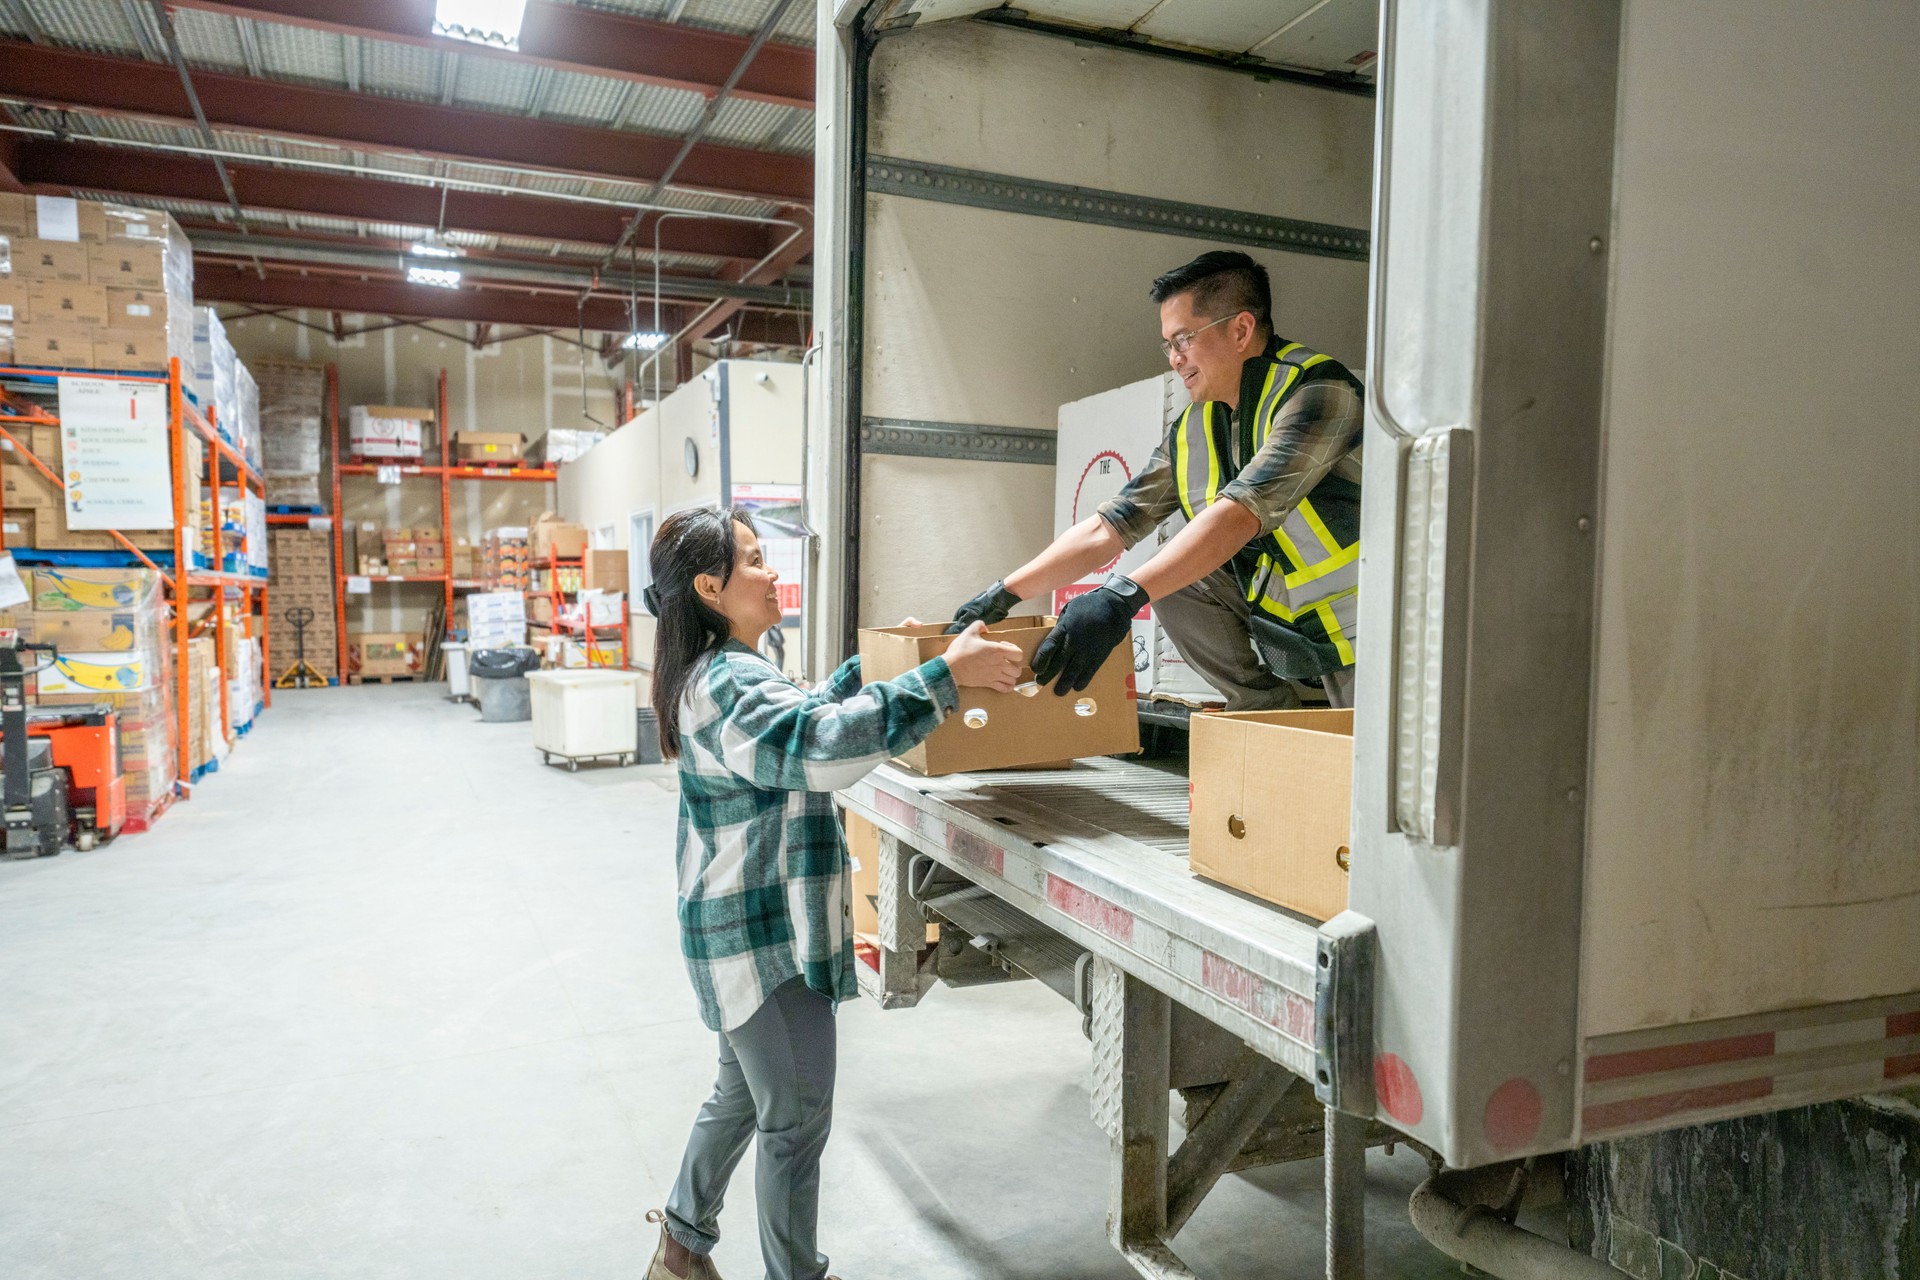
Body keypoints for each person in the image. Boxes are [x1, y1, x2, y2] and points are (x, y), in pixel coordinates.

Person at [641, 506, 1024, 1280]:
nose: (771, 571)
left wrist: (886, 669)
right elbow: (817, 750)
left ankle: (681, 1249)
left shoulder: (727, 670)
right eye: (753, 561)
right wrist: (942, 679)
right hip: (765, 937)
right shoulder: (726, 682)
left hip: (738, 926)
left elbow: (807, 712)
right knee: (795, 1117)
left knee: (742, 1095)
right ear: (711, 586)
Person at [947, 250, 1364, 710]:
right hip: (1291, 610)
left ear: (1241, 329)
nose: (1174, 359)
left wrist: (1121, 596)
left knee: (1368, 764)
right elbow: (1110, 526)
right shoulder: (1194, 427)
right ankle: (1261, 712)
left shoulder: (1318, 392)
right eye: (1167, 344)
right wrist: (1002, 595)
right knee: (1176, 576)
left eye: (1184, 339)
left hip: (1363, 619)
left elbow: (1243, 513)